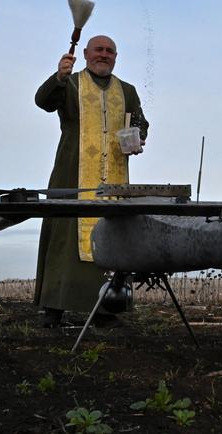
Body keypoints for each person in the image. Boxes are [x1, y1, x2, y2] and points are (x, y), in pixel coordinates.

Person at [33, 35, 149, 328]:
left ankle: (104, 312)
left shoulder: (127, 91)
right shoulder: (70, 83)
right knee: (64, 237)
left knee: (110, 240)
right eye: (99, 49)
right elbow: (43, 102)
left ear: (116, 57)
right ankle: (53, 309)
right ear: (85, 53)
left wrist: (138, 138)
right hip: (72, 173)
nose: (104, 55)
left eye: (110, 51)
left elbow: (139, 123)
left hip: (114, 180)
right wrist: (58, 76)